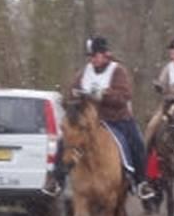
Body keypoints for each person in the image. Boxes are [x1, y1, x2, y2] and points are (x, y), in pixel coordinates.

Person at [50, 36, 155, 199]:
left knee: (138, 143)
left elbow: (124, 96)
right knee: (64, 140)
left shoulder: (118, 71)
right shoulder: (84, 72)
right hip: (89, 122)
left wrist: (102, 96)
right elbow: (69, 93)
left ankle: (141, 182)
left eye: (95, 56)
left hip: (116, 119)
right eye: (90, 56)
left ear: (105, 54)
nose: (92, 60)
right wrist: (75, 96)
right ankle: (56, 180)